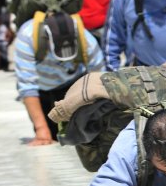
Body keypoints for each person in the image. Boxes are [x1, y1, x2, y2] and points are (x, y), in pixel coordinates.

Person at [15, 11, 105, 146]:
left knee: (78, 138)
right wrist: (41, 129)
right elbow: (27, 87)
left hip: (71, 85)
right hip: (41, 90)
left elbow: (100, 81)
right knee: (47, 137)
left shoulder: (86, 40)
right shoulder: (27, 36)